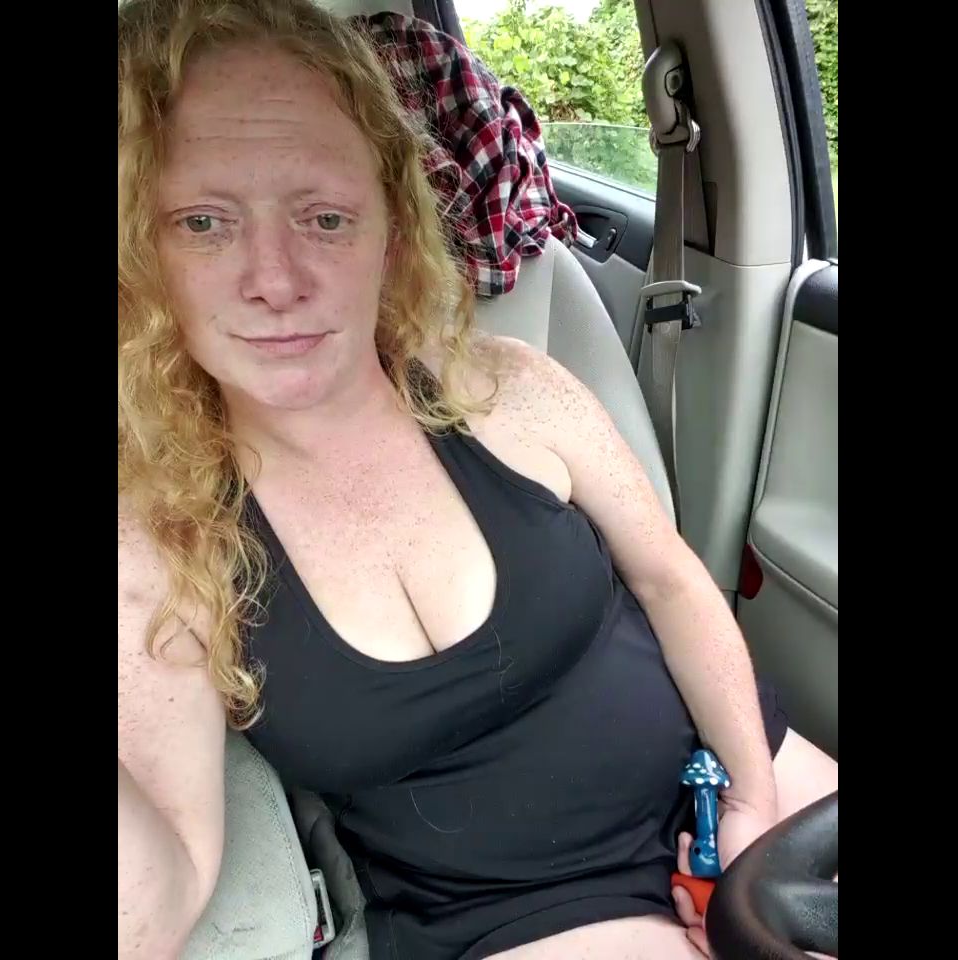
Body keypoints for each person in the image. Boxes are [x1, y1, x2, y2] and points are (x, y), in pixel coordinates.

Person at [117, 1, 837, 958]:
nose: (276, 280)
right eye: (204, 222)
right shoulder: (159, 542)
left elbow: (671, 581)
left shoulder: (513, 391)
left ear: (391, 229)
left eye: (325, 217)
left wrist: (748, 798)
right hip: (528, 916)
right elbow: (162, 892)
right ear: (141, 253)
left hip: (737, 782)